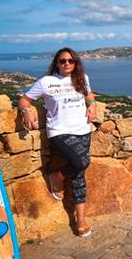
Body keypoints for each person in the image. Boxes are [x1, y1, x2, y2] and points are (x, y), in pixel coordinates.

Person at [18, 47, 97, 237]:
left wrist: (92, 105)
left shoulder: (82, 79)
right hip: (59, 132)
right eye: (63, 61)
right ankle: (56, 177)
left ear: (76, 63)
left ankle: (80, 219)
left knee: (79, 174)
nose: (67, 64)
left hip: (83, 130)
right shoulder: (46, 82)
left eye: (71, 61)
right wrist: (26, 111)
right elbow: (24, 100)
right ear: (57, 63)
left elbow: (90, 95)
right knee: (80, 163)